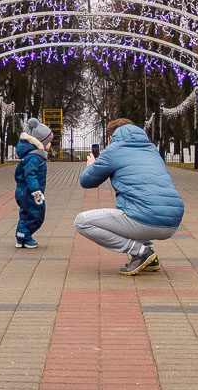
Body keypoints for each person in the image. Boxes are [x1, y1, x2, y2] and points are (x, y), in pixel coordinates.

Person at [75, 118, 184, 275]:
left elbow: (86, 181)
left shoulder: (114, 150)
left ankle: (141, 252)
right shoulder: (151, 150)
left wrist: (92, 165)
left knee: (82, 222)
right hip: (172, 221)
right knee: (131, 207)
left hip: (144, 219)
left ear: (111, 138)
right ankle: (150, 256)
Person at [14, 117, 53, 248]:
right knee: (36, 213)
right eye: (48, 142)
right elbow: (30, 175)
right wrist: (36, 191)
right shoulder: (34, 157)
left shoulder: (32, 156)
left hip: (25, 191)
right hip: (31, 192)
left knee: (26, 213)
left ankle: (22, 237)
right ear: (40, 142)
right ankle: (25, 235)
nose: (50, 145)